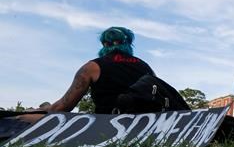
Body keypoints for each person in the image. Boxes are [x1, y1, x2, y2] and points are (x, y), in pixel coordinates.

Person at [18, 26, 155, 123]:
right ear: (128, 45)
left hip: (106, 124)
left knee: (23, 119)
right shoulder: (146, 67)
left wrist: (40, 111)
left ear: (104, 45)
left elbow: (63, 108)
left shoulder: (92, 67)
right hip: (144, 124)